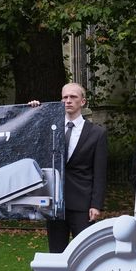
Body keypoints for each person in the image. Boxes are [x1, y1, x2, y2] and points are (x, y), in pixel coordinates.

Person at [46, 82, 108, 253]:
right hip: (55, 204)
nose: (68, 101)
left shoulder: (97, 133)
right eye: (65, 97)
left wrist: (96, 204)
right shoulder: (51, 129)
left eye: (73, 97)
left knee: (85, 254)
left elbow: (100, 172)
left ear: (83, 101)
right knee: (57, 255)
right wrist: (33, 110)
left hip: (83, 204)